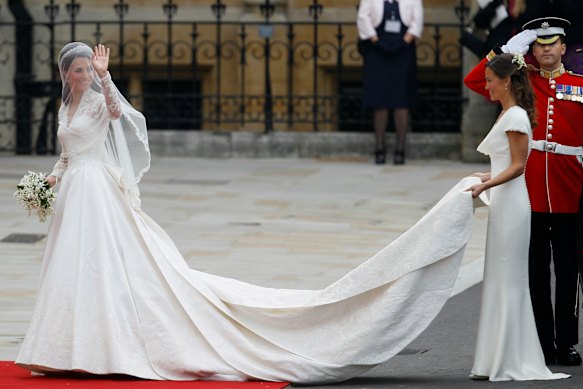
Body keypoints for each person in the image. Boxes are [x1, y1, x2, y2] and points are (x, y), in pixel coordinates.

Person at [14, 42, 493, 383]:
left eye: (83, 71)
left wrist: (106, 77)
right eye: (74, 72)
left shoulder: (98, 100)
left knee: (104, 263)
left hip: (100, 195)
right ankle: (63, 346)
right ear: (64, 77)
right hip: (75, 190)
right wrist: (49, 180)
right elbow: (68, 154)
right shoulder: (67, 109)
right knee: (70, 266)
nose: (78, 77)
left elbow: (122, 118)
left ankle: (104, 344)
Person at [464, 17, 583, 366]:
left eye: (552, 42)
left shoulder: (579, 85)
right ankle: (542, 341)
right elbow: (476, 81)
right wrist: (504, 51)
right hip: (527, 189)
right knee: (533, 270)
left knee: (567, 271)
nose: (546, 48)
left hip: (567, 188)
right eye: (539, 43)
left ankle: (567, 342)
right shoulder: (523, 81)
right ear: (532, 49)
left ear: (563, 47)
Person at [357, 0, 423, 165]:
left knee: (401, 100)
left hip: (403, 51)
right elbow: (363, 17)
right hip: (377, 51)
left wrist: (404, 42)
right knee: (380, 100)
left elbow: (417, 21)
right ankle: (379, 147)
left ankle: (400, 148)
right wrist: (375, 40)